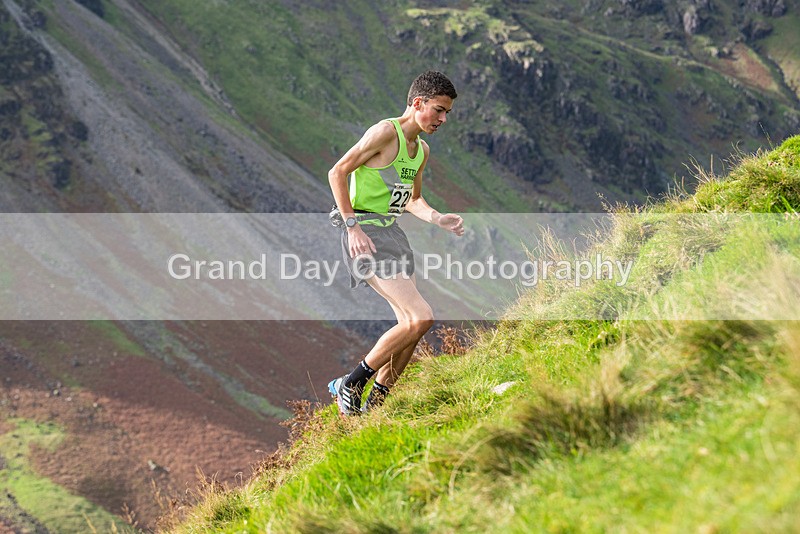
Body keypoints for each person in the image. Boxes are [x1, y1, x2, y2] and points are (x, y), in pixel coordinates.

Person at [327, 70, 464, 416]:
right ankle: (351, 382)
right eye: (438, 110)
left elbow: (412, 200)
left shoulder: (421, 151)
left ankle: (377, 406)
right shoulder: (385, 133)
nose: (443, 119)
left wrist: (437, 218)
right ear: (418, 103)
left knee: (410, 327)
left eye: (447, 113)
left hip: (393, 234)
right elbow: (338, 172)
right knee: (421, 317)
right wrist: (353, 226)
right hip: (365, 234)